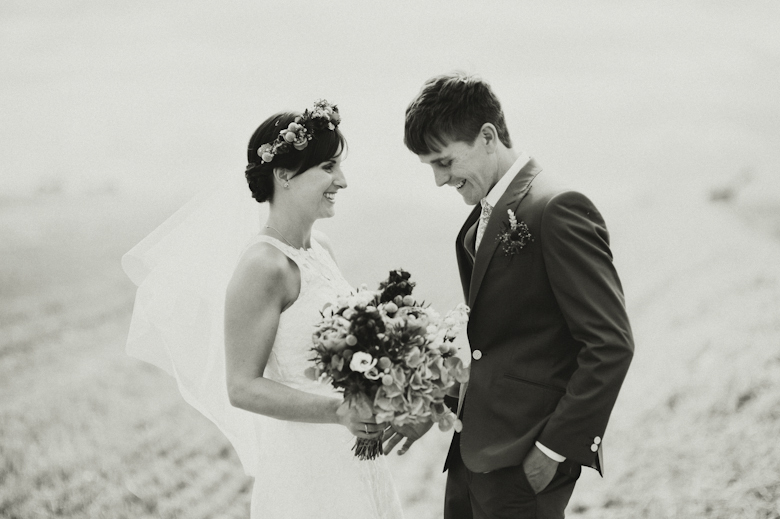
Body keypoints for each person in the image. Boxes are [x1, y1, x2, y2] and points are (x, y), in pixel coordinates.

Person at [123, 100, 403, 519]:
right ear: (284, 175)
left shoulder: (321, 249)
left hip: (354, 453)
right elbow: (241, 386)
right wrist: (338, 411)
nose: (341, 180)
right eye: (328, 167)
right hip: (308, 466)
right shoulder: (263, 267)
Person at [389, 73, 634, 518]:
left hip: (525, 460)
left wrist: (554, 450)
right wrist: (436, 401)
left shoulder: (557, 207)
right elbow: (495, 343)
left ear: (488, 137)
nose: (439, 180)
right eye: (430, 167)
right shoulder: (480, 217)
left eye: (444, 162)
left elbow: (610, 344)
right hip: (472, 454)